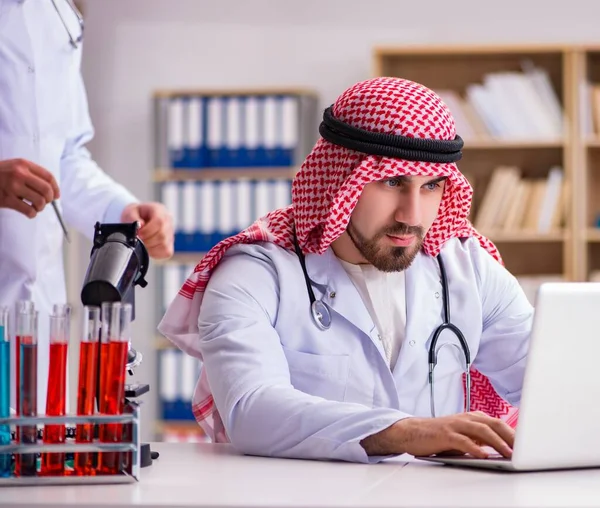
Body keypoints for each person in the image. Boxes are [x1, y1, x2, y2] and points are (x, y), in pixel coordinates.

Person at [158, 77, 533, 464]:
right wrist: (407, 431)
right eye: (392, 182)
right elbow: (251, 409)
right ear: (340, 180)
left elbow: (550, 384)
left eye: (432, 186)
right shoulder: (256, 274)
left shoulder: (468, 269)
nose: (412, 216)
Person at [0, 0, 174, 411]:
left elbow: (62, 157)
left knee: (27, 455)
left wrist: (122, 211)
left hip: (35, 318)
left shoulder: (59, 14)